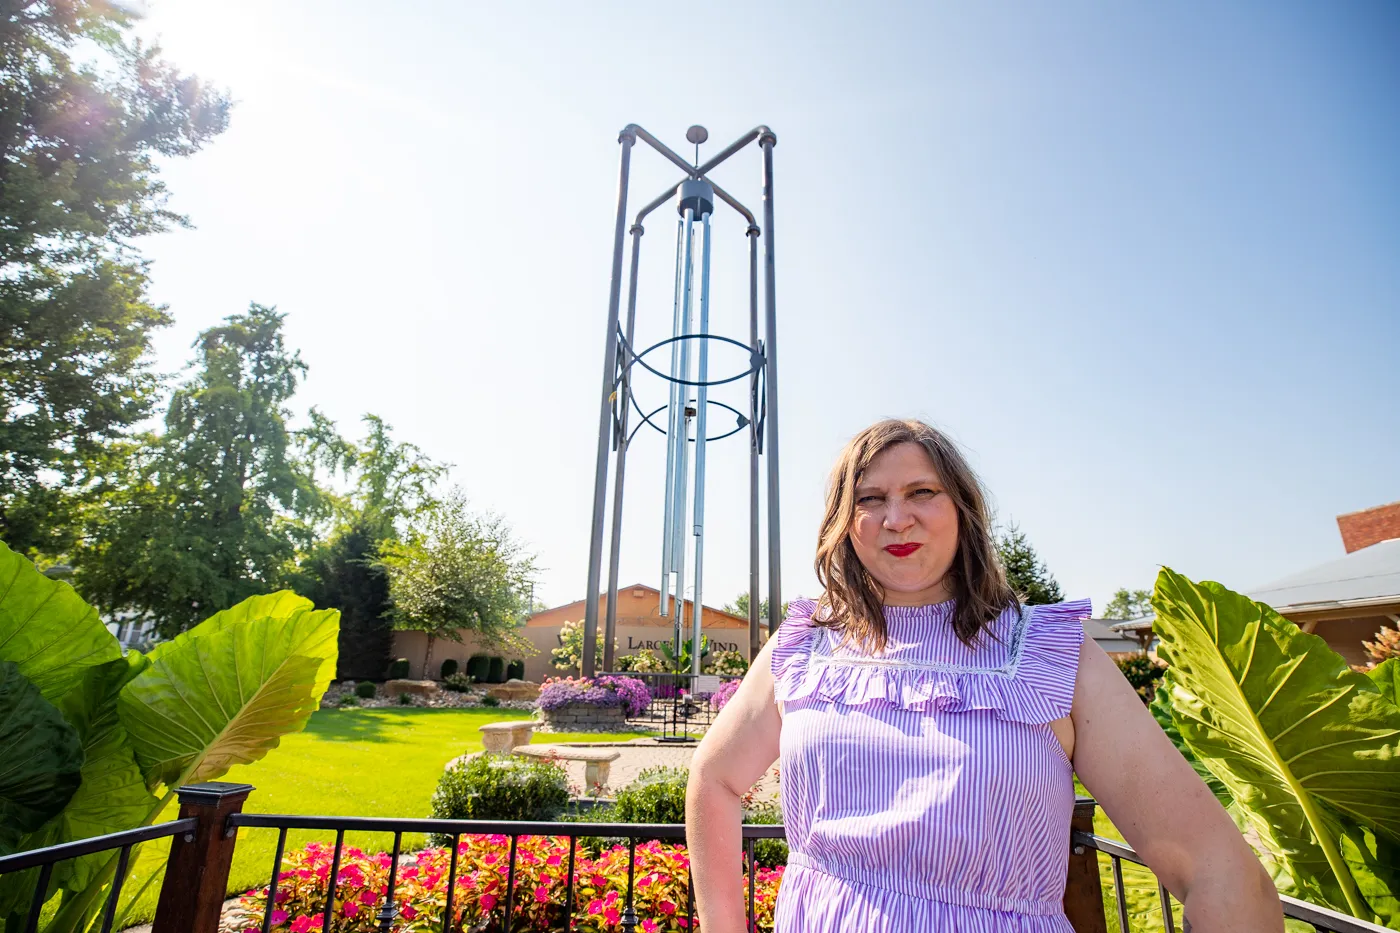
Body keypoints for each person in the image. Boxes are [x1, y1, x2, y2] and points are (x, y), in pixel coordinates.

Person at [685, 418, 1281, 932]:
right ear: (845, 521)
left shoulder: (1050, 653)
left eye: (922, 491)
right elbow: (714, 778)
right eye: (869, 499)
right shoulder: (805, 646)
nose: (897, 518)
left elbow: (1219, 871)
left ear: (963, 510)